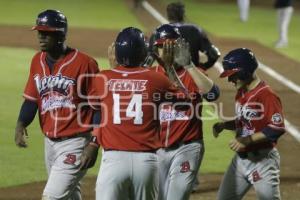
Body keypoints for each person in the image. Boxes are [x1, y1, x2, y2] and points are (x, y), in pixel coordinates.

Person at [85, 27, 188, 200]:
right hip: (146, 163)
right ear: (144, 53)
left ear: (116, 52)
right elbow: (185, 103)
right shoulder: (156, 79)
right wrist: (168, 67)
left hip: (113, 161)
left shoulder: (102, 78)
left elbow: (97, 109)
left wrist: (115, 71)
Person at [14, 9, 99, 199]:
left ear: (60, 34)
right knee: (69, 194)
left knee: (52, 196)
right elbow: (32, 99)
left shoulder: (86, 64)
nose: (41, 37)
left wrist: (94, 144)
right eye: (39, 32)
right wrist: (21, 124)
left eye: (46, 33)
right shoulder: (37, 60)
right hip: (50, 143)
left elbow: (99, 107)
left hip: (76, 142)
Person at [151, 24, 220, 200]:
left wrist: (189, 64)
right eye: (161, 46)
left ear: (179, 47)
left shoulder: (194, 73)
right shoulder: (150, 75)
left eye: (170, 46)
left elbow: (212, 94)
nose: (165, 51)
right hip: (156, 149)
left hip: (187, 147)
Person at [213, 48, 285, 200]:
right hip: (240, 161)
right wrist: (225, 125)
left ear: (245, 71)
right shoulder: (242, 92)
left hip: (263, 161)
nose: (230, 80)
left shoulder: (266, 95)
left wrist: (247, 140)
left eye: (233, 76)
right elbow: (245, 122)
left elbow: (276, 128)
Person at [166, 1, 220, 71]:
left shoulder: (161, 32)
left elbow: (150, 59)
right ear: (183, 14)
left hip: (169, 77)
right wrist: (203, 67)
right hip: (192, 76)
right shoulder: (195, 30)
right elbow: (214, 55)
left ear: (168, 15)